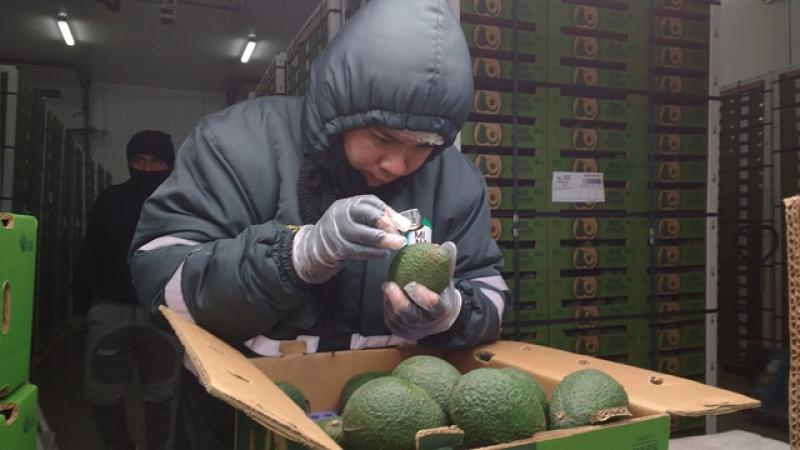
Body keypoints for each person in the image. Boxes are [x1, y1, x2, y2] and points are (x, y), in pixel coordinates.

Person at [128, 0, 510, 448]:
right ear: (341, 109)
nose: (395, 165)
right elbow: (160, 281)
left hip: (393, 414)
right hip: (236, 411)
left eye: (421, 147)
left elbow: (490, 289)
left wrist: (451, 313)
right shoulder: (236, 144)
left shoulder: (456, 182)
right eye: (382, 138)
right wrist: (295, 257)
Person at [72, 130, 182, 450]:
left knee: (163, 395)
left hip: (163, 313)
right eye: (139, 161)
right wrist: (80, 306)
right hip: (111, 309)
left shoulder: (180, 202)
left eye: (156, 162)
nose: (147, 170)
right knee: (102, 393)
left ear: (169, 163)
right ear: (130, 162)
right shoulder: (110, 199)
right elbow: (89, 251)